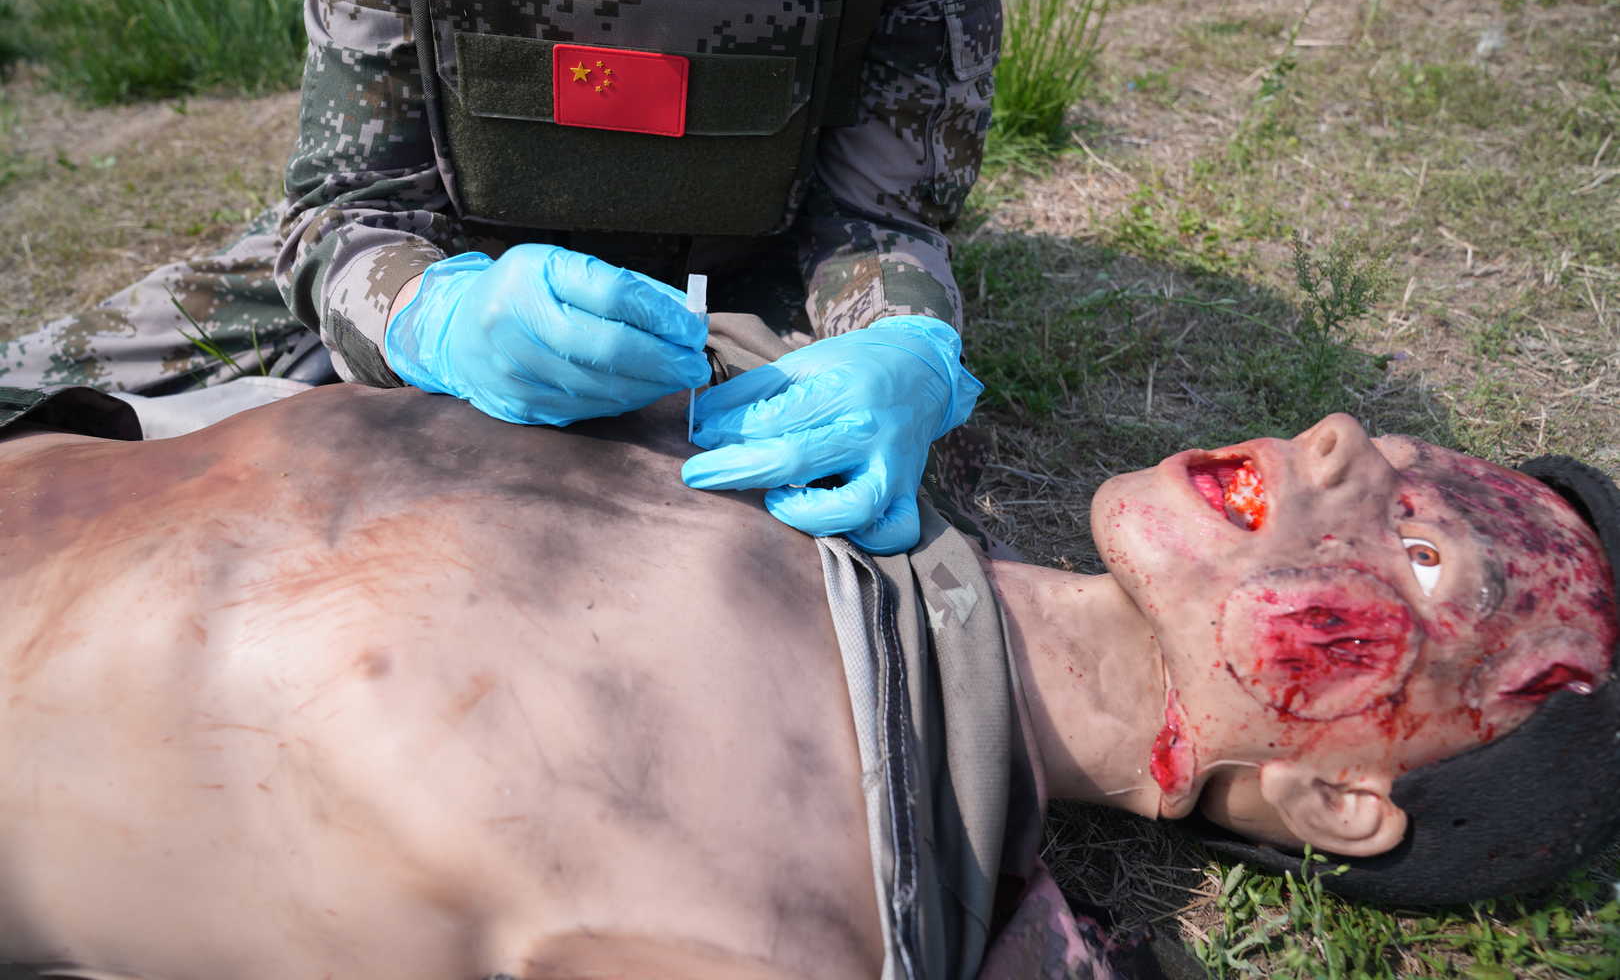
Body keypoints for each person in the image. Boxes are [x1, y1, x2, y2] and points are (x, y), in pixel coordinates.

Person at [2, 345, 1615, 978]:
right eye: (1400, 453)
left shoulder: (784, 915)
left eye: (1421, 557)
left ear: (1339, 802)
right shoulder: (785, 407)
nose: (1334, 439)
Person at [0, 0, 1002, 555]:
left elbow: (875, 217)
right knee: (29, 394)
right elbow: (348, 209)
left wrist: (900, 347)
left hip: (750, 281)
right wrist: (429, 318)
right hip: (446, 263)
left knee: (853, 541)